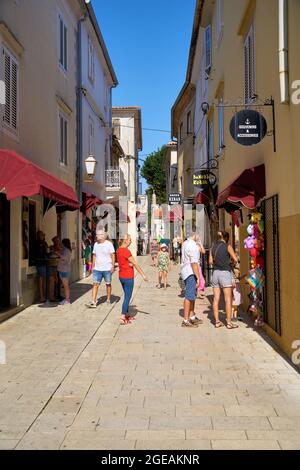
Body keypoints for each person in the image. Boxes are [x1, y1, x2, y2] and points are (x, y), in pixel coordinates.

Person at [209, 231, 239, 329]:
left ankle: (217, 322)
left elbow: (210, 262)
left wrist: (216, 262)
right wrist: (231, 263)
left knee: (216, 298)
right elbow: (235, 259)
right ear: (226, 238)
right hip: (225, 273)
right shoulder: (228, 246)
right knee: (228, 299)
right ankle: (229, 323)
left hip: (215, 273)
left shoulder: (212, 247)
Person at [117, 234, 148, 324]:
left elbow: (123, 262)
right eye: (129, 240)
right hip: (128, 276)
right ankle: (122, 317)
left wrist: (128, 264)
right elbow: (135, 264)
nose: (130, 241)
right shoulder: (126, 251)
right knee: (127, 297)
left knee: (126, 295)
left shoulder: (118, 250)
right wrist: (143, 275)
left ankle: (126, 315)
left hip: (121, 276)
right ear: (125, 241)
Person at [86, 230, 115, 308]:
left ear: (103, 236)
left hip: (107, 268)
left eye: (98, 235)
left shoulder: (109, 244)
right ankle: (93, 301)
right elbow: (94, 255)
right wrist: (93, 266)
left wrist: (112, 266)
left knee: (108, 284)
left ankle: (108, 299)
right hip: (97, 269)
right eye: (96, 235)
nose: (97, 236)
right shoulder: (95, 244)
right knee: (95, 284)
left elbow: (112, 255)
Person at [180, 233, 203, 328]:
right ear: (196, 235)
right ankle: (185, 320)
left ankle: (192, 316)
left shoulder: (186, 243)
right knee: (189, 296)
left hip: (186, 271)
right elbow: (194, 263)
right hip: (190, 272)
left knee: (192, 295)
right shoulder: (193, 246)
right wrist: (198, 277)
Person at [34, 231, 48, 303]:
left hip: (40, 263)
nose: (43, 236)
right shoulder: (40, 243)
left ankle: (43, 296)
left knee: (41, 280)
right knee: (42, 280)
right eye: (42, 235)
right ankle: (42, 297)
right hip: (41, 263)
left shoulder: (41, 243)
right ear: (39, 236)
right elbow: (43, 252)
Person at [57, 239, 72, 305]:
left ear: (64, 243)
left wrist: (58, 254)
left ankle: (67, 300)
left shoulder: (67, 250)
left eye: (62, 243)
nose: (61, 244)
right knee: (64, 285)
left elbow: (65, 258)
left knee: (66, 286)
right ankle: (66, 299)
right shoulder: (64, 250)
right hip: (62, 270)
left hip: (65, 270)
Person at [48, 236, 61, 302]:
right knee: (52, 280)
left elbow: (61, 256)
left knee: (57, 281)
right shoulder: (51, 247)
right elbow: (49, 254)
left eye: (58, 240)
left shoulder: (60, 248)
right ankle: (52, 296)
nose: (57, 241)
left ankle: (57, 295)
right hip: (52, 265)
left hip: (58, 266)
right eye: (56, 240)